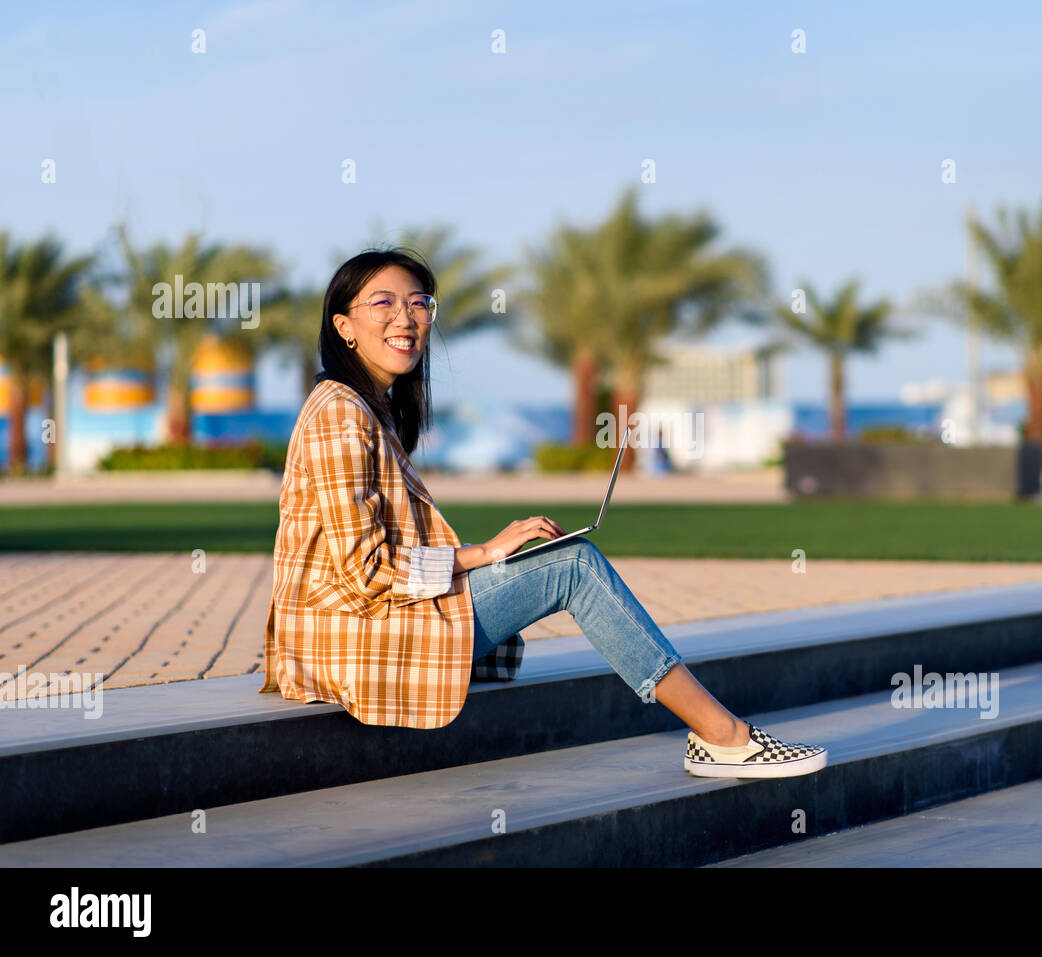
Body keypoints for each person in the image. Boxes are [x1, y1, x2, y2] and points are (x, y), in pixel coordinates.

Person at [260, 248, 826, 778]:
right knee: (574, 566)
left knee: (565, 559)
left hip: (356, 628)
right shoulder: (341, 413)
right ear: (343, 327)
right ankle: (723, 737)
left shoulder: (368, 408)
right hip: (348, 639)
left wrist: (481, 562)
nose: (405, 318)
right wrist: (480, 555)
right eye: (382, 303)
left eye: (419, 304)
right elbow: (363, 572)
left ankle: (721, 734)